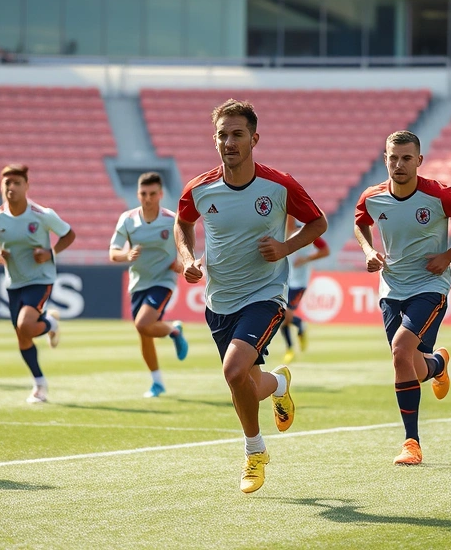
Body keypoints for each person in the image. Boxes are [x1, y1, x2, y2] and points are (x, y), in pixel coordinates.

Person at [175, 99, 327, 494]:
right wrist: (188, 257)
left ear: (254, 138)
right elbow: (182, 224)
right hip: (218, 300)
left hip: (265, 294)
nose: (229, 142)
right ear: (215, 140)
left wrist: (285, 248)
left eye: (238, 134)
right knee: (245, 380)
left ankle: (254, 452)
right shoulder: (199, 187)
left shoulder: (279, 185)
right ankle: (278, 384)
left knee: (232, 371)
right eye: (222, 135)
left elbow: (318, 222)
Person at [353, 130, 451, 466]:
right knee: (408, 364)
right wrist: (369, 250)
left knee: (400, 350)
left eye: (406, 158)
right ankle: (438, 364)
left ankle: (411, 442)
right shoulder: (372, 197)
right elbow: (360, 223)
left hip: (430, 286)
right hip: (390, 289)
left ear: (419, 161)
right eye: (393, 157)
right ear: (385, 159)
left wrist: (449, 255)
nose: (398, 164)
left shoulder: (438, 195)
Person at [0, 165, 76, 404]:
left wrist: (50, 252)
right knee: (23, 337)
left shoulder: (42, 214)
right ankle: (39, 384)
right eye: (7, 184)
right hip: (14, 283)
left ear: (26, 186)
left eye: (16, 183)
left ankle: (50, 323)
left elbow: (69, 234)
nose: (11, 188)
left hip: (40, 279)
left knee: (25, 325)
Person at [110, 171, 189, 398]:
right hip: (138, 283)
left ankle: (173, 331)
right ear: (137, 194)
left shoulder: (171, 219)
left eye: (152, 193)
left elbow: (184, 245)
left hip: (162, 281)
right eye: (143, 193)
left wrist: (181, 263)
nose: (147, 198)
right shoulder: (128, 220)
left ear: (161, 194)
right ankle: (157, 383)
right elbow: (113, 252)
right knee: (144, 334)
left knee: (143, 324)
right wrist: (127, 256)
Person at [280, 216, 330, 364]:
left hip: (299, 283)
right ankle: (290, 346)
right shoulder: (288, 234)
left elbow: (325, 251)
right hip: (285, 282)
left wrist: (306, 259)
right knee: (282, 317)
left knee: (286, 316)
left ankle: (297, 331)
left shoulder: (311, 237)